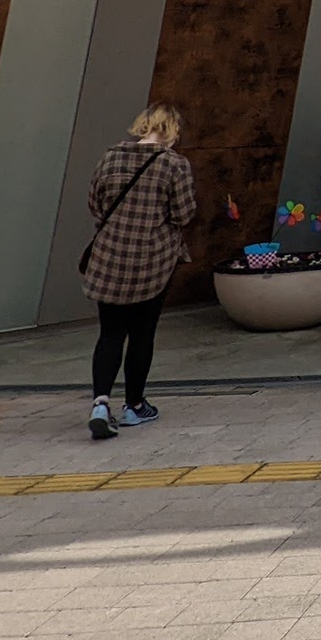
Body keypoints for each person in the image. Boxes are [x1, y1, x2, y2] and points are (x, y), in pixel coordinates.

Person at [78, 102, 199, 440]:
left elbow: (95, 204)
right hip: (152, 261)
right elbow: (183, 213)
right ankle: (134, 406)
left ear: (143, 125)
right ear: (173, 130)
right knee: (142, 334)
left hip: (109, 258)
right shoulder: (174, 164)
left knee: (110, 333)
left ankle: (100, 404)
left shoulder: (110, 157)